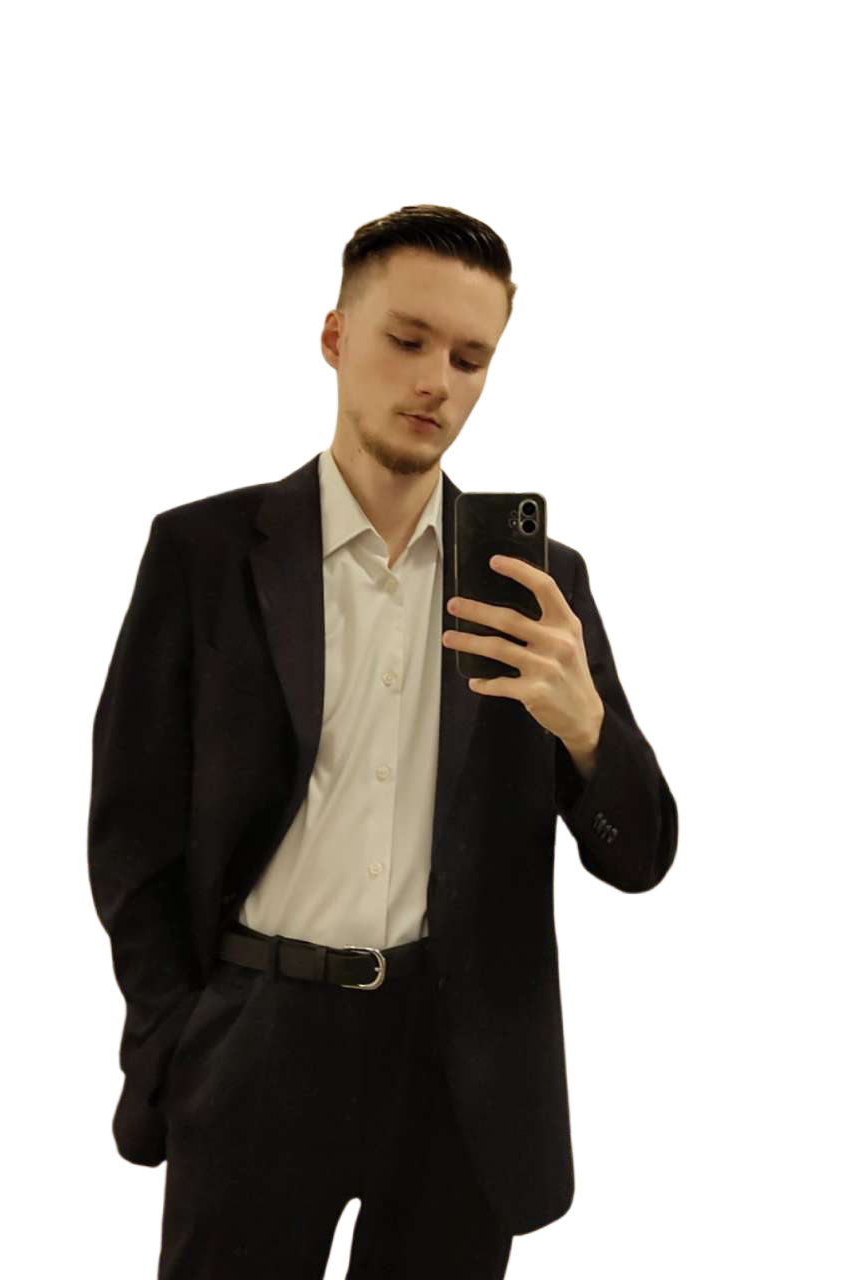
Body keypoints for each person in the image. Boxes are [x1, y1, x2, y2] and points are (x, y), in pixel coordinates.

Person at [86, 203, 680, 1278]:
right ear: (334, 336)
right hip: (255, 1037)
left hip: (464, 1068)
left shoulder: (541, 584)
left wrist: (587, 729)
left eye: (469, 358)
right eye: (407, 340)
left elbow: (640, 855)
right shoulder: (200, 551)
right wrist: (176, 1037)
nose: (435, 382)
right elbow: (131, 828)